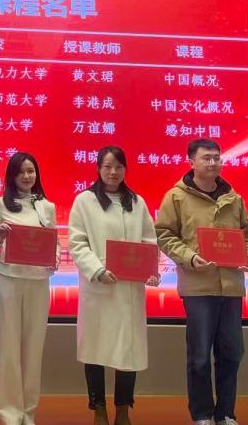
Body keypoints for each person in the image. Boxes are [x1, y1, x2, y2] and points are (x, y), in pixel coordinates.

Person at [155, 138, 248, 425]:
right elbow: (164, 234)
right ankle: (202, 414)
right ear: (191, 161)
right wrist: (189, 257)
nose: (213, 163)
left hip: (232, 287)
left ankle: (225, 413)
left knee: (232, 353)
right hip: (198, 287)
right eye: (206, 158)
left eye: (216, 158)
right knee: (199, 356)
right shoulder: (176, 197)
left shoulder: (234, 198)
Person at [68, 146, 160, 425]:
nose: (113, 172)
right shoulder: (84, 201)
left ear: (125, 169)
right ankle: (98, 408)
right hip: (99, 287)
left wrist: (150, 270)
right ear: (98, 168)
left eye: (119, 167)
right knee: (94, 349)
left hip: (128, 291)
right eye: (107, 166)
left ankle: (123, 409)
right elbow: (77, 242)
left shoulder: (137, 202)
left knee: (127, 352)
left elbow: (149, 241)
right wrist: (97, 270)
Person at [0, 152, 59, 425]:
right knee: (8, 349)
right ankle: (10, 413)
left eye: (31, 171)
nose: (27, 176)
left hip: (39, 283)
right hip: (9, 281)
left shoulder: (47, 207)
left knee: (33, 349)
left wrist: (54, 260)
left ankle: (28, 412)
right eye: (21, 172)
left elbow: (54, 242)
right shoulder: (0, 204)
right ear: (12, 175)